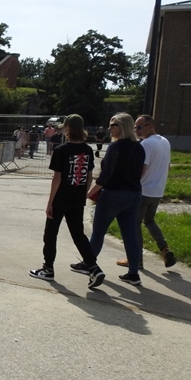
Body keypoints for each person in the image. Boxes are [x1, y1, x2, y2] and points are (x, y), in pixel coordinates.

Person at [29, 114, 104, 288]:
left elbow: (57, 178)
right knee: (78, 234)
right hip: (77, 199)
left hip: (61, 198)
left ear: (68, 128)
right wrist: (83, 194)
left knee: (50, 233)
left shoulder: (61, 150)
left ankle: (48, 268)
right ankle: (93, 266)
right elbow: (89, 177)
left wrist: (50, 202)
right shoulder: (87, 150)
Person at [80, 113, 146, 286]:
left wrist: (87, 194)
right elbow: (141, 172)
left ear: (123, 127)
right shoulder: (139, 148)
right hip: (134, 195)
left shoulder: (115, 147)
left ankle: (89, 264)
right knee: (130, 234)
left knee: (98, 232)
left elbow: (105, 176)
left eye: (113, 125)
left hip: (113, 194)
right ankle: (134, 273)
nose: (109, 128)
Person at [116, 115, 176, 270]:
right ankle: (164, 249)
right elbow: (167, 166)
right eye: (135, 127)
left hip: (143, 190)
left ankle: (136, 259)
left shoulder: (146, 144)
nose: (136, 130)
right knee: (149, 221)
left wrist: (130, 183)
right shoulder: (165, 142)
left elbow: (141, 168)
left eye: (139, 127)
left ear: (150, 126)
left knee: (134, 223)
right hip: (157, 191)